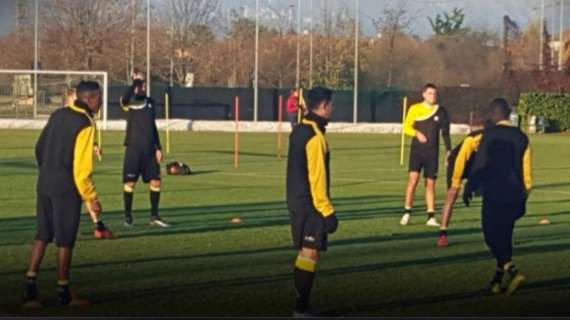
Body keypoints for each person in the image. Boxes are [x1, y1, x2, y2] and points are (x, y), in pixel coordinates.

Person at [23, 81, 113, 308]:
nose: (101, 102)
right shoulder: (85, 123)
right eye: (99, 97)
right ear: (90, 99)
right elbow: (82, 170)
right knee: (65, 241)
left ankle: (30, 289)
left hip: (44, 182)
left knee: (42, 234)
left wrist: (48, 169)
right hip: (66, 187)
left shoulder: (58, 113)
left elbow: (39, 148)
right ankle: (63, 293)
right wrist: (91, 197)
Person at [463, 98, 532, 295]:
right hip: (515, 193)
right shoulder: (522, 137)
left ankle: (512, 270)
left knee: (491, 235)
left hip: (494, 193)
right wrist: (524, 195)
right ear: (509, 114)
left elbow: (481, 164)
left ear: (494, 114)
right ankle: (496, 282)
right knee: (505, 236)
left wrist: (470, 186)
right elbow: (527, 171)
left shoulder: (490, 135)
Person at [286, 87, 338, 317]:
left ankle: (301, 306)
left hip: (296, 200)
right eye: (331, 105)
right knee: (310, 253)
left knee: (305, 253)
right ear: (324, 105)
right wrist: (327, 211)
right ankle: (301, 309)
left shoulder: (299, 129)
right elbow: (317, 176)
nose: (332, 109)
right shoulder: (315, 137)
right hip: (311, 205)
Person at [120, 72, 169, 228]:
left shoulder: (150, 102)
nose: (143, 85)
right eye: (140, 83)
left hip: (149, 150)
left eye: (144, 82)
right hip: (134, 150)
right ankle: (128, 218)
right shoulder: (129, 103)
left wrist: (158, 147)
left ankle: (154, 216)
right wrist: (135, 82)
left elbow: (152, 125)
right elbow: (125, 98)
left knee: (156, 181)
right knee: (130, 183)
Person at [400, 84, 452, 227]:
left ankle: (430, 217)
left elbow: (445, 133)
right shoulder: (415, 109)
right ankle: (407, 212)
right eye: (429, 93)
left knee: (430, 184)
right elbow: (406, 127)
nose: (432, 96)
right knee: (413, 180)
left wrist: (448, 151)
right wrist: (417, 133)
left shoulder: (441, 112)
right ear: (423, 94)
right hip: (417, 151)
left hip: (432, 152)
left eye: (434, 94)